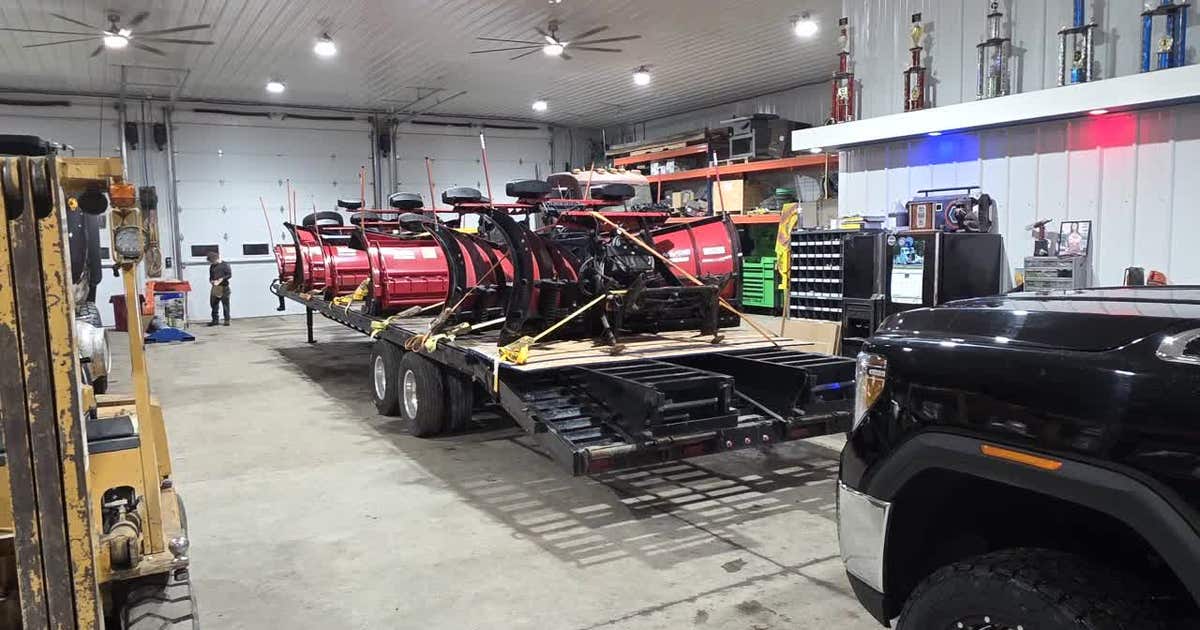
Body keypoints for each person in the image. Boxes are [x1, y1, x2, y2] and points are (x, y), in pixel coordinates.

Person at [207, 251, 232, 326]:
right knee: (214, 304)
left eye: (212, 261)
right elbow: (211, 276)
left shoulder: (225, 265)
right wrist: (212, 281)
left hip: (224, 287)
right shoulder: (212, 266)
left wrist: (221, 279)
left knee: (225, 304)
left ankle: (227, 320)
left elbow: (229, 275)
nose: (212, 263)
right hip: (216, 287)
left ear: (216, 259)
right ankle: (215, 320)